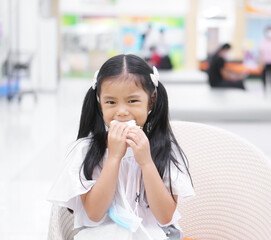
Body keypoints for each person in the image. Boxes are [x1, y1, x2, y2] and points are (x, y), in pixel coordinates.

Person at [48, 54, 194, 240]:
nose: (122, 111)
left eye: (132, 101)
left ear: (151, 100)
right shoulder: (85, 151)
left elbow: (165, 217)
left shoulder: (164, 149)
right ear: (99, 102)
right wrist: (114, 158)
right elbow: (94, 213)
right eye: (111, 102)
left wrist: (146, 162)